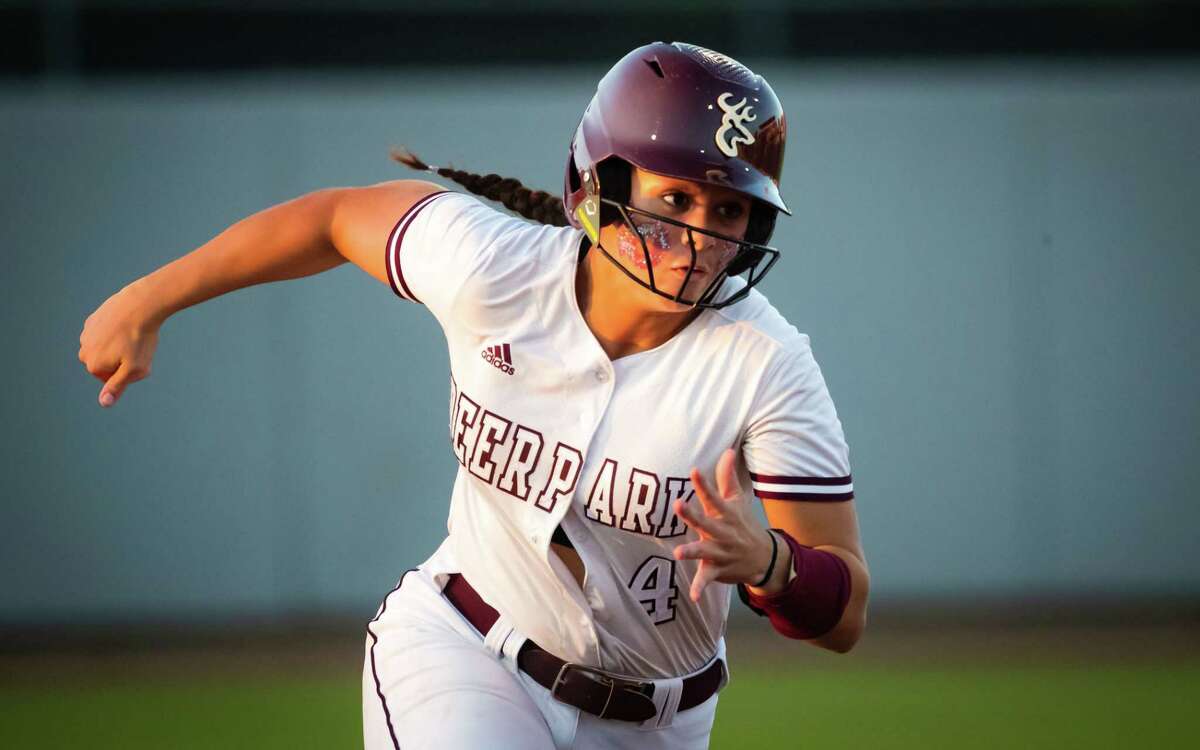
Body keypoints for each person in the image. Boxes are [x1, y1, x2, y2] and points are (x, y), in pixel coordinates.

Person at [77, 41, 869, 750]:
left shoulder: (765, 361)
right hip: (465, 650)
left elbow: (845, 612)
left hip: (660, 723)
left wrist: (770, 562)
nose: (701, 240)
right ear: (599, 185)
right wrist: (147, 300)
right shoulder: (493, 268)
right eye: (675, 201)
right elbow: (330, 219)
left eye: (727, 209)